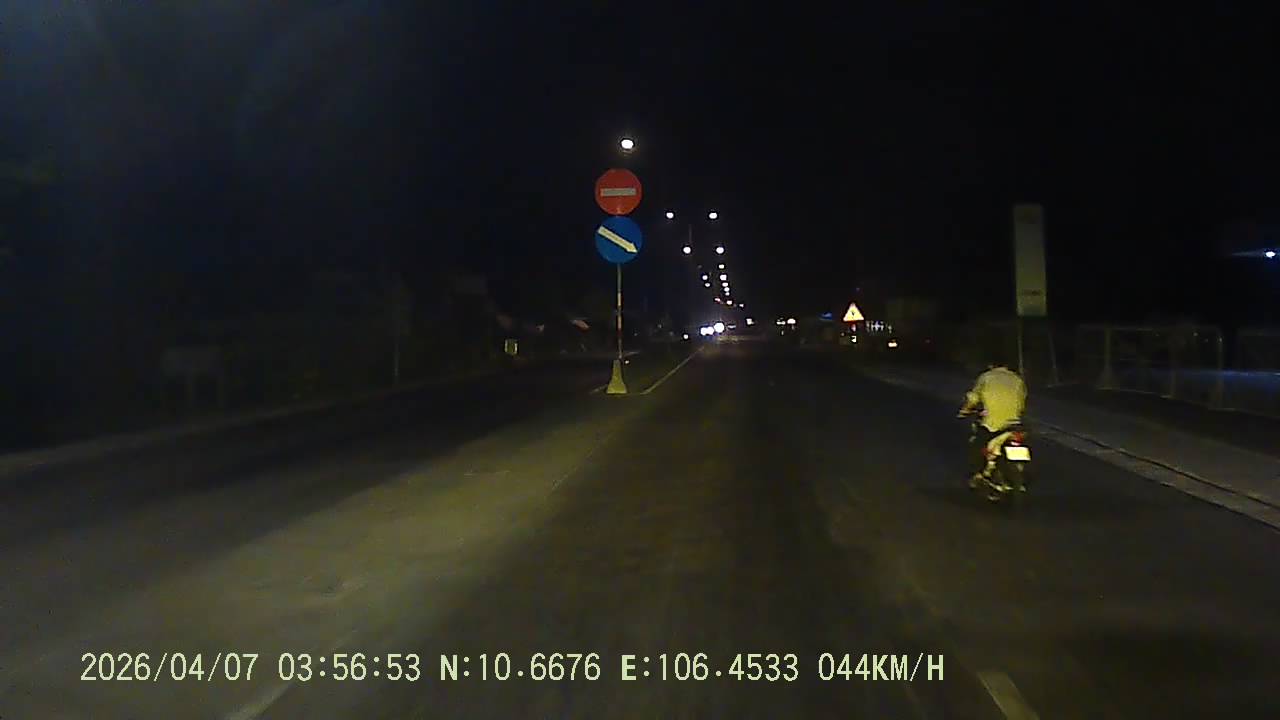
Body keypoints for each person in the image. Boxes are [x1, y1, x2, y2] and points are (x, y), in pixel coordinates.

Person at [958, 355, 1027, 485]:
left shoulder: (986, 377)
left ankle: (978, 474)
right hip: (1014, 424)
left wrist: (965, 410)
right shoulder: (1017, 379)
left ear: (991, 365)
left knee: (977, 444)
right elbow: (1022, 403)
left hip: (992, 423)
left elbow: (973, 398)